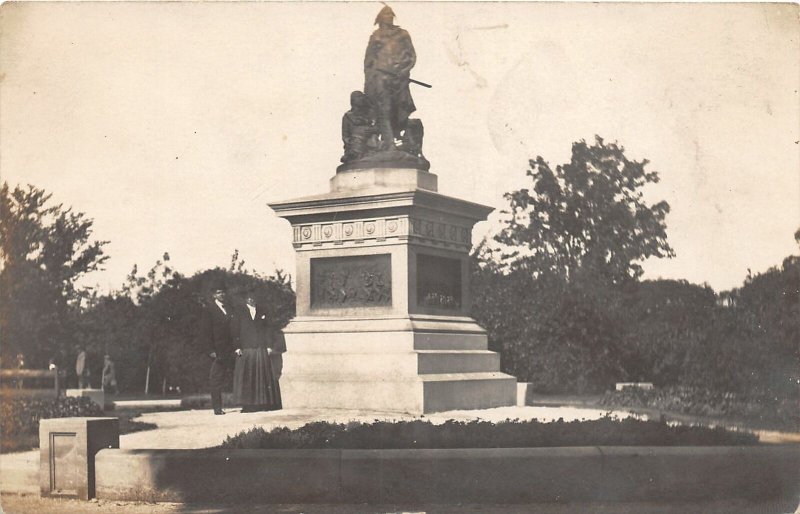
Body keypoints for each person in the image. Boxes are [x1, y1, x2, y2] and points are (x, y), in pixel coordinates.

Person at [363, 5, 416, 150]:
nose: (389, 17)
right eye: (386, 15)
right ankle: (389, 143)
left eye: (391, 15)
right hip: (381, 76)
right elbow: (368, 61)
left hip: (399, 78)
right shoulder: (376, 36)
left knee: (399, 108)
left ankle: (400, 140)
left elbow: (411, 56)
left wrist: (404, 71)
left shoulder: (403, 34)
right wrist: (369, 82)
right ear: (380, 18)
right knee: (383, 108)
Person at [232, 292, 282, 412]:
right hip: (246, 348)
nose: (251, 299)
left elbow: (269, 329)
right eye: (248, 297)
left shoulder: (263, 310)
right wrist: (237, 347)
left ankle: (263, 403)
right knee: (247, 376)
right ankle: (247, 405)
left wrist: (269, 345)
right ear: (245, 298)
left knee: (261, 376)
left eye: (253, 296)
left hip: (261, 348)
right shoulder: (239, 312)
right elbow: (234, 330)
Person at [199, 283, 240, 415]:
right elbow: (206, 332)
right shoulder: (209, 310)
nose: (221, 295)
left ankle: (246, 404)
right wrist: (211, 350)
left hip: (232, 349)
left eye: (223, 292)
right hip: (218, 351)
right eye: (218, 292)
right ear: (214, 295)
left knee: (239, 375)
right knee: (216, 379)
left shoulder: (230, 308)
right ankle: (217, 408)